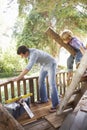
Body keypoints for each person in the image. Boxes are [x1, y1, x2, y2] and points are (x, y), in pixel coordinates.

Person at [12, 45, 59, 112]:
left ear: (25, 52)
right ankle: (44, 99)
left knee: (52, 84)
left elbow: (28, 68)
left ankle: (56, 105)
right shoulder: (28, 52)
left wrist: (18, 78)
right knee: (40, 81)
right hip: (44, 65)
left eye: (22, 55)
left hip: (51, 63)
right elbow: (27, 67)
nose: (22, 57)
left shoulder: (34, 53)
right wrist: (22, 75)